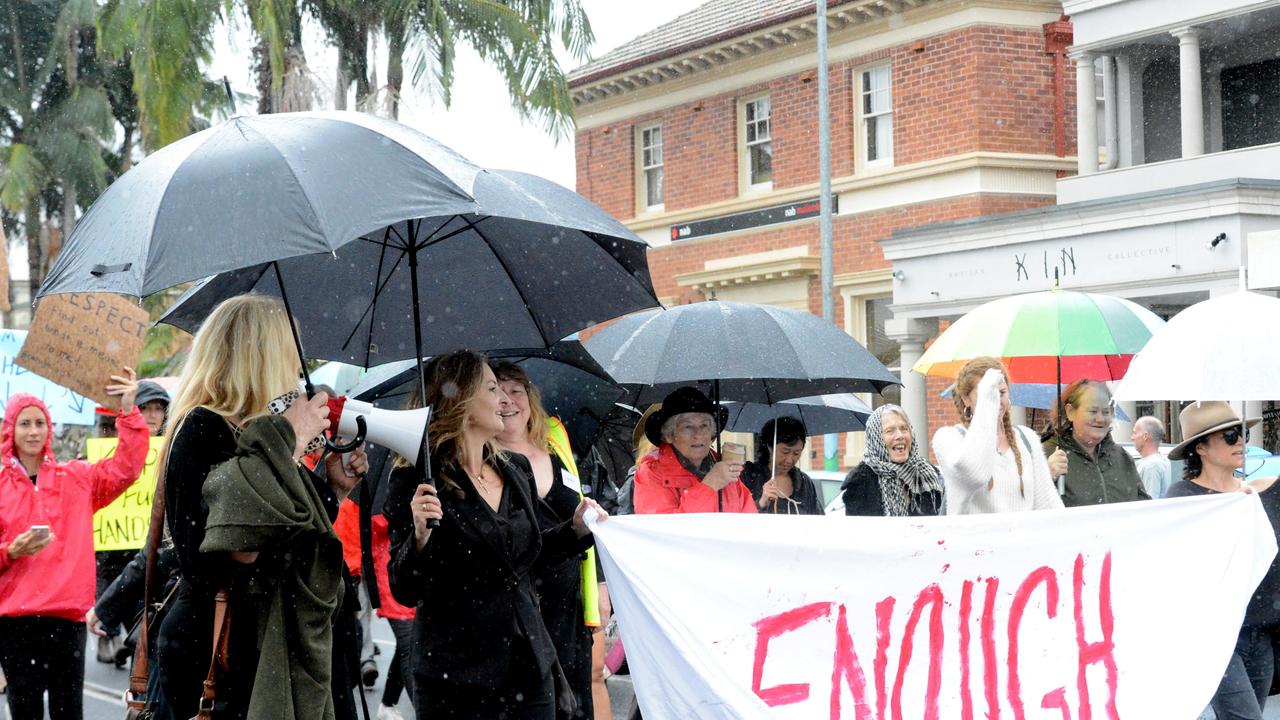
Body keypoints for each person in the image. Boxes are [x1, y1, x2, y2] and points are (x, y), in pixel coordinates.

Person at [154, 295, 367, 720]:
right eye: (289, 353)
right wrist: (288, 441)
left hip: (266, 640)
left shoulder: (258, 433)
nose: (295, 368)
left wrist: (333, 488)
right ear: (262, 357)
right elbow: (239, 545)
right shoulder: (204, 427)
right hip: (224, 648)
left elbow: (295, 534)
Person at [385, 349, 606, 719]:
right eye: (492, 389)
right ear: (462, 401)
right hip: (455, 675)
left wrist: (574, 530)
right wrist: (419, 539)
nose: (504, 400)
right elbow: (405, 588)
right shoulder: (416, 478)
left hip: (528, 665)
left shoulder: (514, 468)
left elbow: (528, 553)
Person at [0, 371, 148, 720]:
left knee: (69, 711)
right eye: (25, 424)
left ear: (49, 428)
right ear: (11, 429)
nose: (33, 431)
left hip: (66, 621)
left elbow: (126, 469)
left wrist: (128, 412)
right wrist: (10, 551)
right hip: (14, 625)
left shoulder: (77, 478)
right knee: (25, 712)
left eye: (40, 422)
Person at [492, 360, 597, 717]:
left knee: (575, 701)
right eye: (497, 392)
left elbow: (577, 518)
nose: (508, 401)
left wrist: (597, 587)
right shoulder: (480, 461)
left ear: (530, 399)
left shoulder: (557, 449)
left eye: (516, 391)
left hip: (566, 602)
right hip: (518, 610)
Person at [1166, 401, 1279, 719]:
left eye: (1242, 432)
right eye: (1230, 435)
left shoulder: (1262, 494)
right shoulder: (1182, 497)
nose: (1241, 441)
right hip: (1214, 634)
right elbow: (1178, 565)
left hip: (1261, 630)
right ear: (1200, 447)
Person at [90, 379, 171, 665]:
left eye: (158, 408)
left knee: (148, 638)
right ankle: (117, 638)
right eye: (144, 407)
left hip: (156, 560)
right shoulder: (111, 451)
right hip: (117, 556)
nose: (152, 415)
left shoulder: (175, 451)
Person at [933, 358, 1065, 515]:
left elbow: (1048, 504)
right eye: (986, 394)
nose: (995, 400)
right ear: (966, 399)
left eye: (1001, 393)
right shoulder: (948, 438)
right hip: (975, 538)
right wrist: (986, 406)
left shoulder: (1027, 438)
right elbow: (973, 475)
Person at [633, 387, 756, 514]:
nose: (699, 435)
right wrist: (710, 485)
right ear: (669, 435)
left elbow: (750, 523)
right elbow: (664, 530)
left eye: (704, 425)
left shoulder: (722, 467)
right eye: (688, 427)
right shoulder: (651, 472)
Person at [1042, 380, 1149, 506]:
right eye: (1093, 411)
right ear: (1070, 412)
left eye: (1106, 412)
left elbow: (1143, 507)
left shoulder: (1122, 458)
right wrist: (1046, 477)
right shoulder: (1045, 455)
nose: (1100, 419)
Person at [842, 404, 944, 517]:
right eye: (890, 431)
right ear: (876, 439)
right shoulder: (860, 484)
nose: (900, 435)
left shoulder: (929, 475)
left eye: (904, 429)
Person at [740, 417, 823, 515]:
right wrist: (761, 503)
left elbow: (817, 519)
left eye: (796, 453)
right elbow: (736, 518)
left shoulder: (804, 482)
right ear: (769, 447)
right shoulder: (748, 475)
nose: (789, 460)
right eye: (785, 452)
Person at [1132, 415, 1172, 499]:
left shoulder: (1151, 466)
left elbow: (1149, 504)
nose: (1132, 437)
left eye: (1135, 433)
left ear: (1145, 436)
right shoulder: (1161, 460)